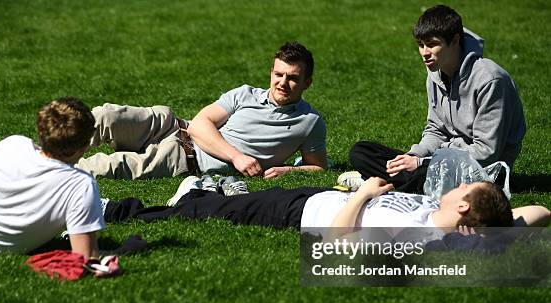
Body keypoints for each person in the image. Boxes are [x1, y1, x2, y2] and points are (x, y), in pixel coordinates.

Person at [76, 41, 327, 180]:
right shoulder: (245, 93)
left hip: (184, 158)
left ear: (307, 82)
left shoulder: (310, 122)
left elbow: (318, 168)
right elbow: (198, 124)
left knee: (107, 166)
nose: (282, 83)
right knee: (108, 115)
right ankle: (52, 146)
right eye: (278, 74)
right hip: (173, 125)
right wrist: (236, 157)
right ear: (271, 73)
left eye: (292, 78)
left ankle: (46, 169)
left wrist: (288, 170)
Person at [346, 5, 526, 193]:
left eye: (432, 44)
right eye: (420, 45)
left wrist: (423, 161)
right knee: (361, 152)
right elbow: (435, 129)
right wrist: (413, 155)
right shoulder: (435, 73)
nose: (424, 52)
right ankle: (400, 181)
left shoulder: (490, 80)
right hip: (440, 161)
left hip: (483, 173)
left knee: (423, 172)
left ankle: (383, 182)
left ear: (455, 40)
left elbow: (486, 153)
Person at [0, 97, 106, 258]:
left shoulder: (13, 145)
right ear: (84, 146)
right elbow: (86, 257)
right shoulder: (81, 186)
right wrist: (128, 248)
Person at [102, 177, 540, 236]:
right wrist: (502, 227)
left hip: (298, 215)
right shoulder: (443, 221)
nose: (459, 183)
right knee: (220, 204)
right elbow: (539, 210)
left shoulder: (418, 237)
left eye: (466, 186)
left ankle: (116, 211)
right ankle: (199, 191)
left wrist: (364, 195)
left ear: (463, 207)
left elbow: (338, 240)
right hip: (308, 198)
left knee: (206, 214)